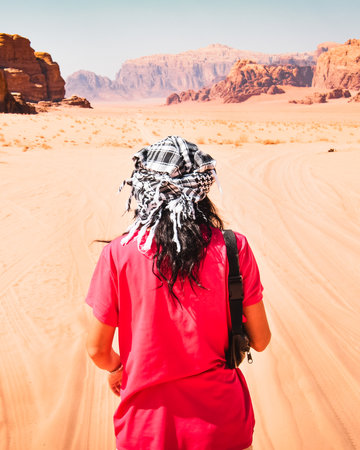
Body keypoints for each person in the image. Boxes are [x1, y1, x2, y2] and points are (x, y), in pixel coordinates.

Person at [85, 136, 271, 450]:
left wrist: (118, 369)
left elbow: (97, 350)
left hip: (145, 430)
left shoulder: (119, 253)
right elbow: (262, 340)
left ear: (144, 189)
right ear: (202, 190)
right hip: (222, 427)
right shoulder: (233, 247)